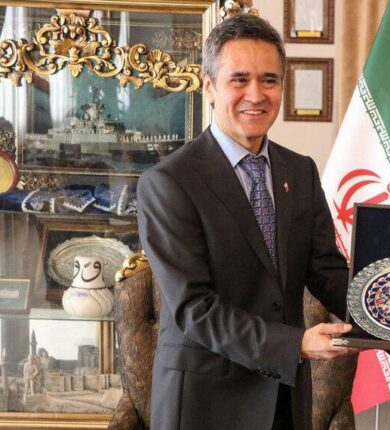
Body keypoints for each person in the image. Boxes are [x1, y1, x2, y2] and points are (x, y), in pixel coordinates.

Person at [137, 14, 352, 430]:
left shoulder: (300, 172)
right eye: (239, 79)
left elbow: (327, 272)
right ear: (209, 87)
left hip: (284, 401)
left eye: (269, 80)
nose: (256, 94)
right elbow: (194, 309)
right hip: (205, 405)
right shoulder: (168, 183)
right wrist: (296, 345)